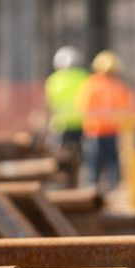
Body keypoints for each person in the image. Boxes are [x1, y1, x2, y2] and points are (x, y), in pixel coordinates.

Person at [74, 49, 132, 192]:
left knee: (112, 164)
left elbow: (124, 108)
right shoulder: (92, 85)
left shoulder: (115, 86)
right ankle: (92, 188)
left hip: (111, 130)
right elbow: (83, 106)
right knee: (94, 163)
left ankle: (112, 188)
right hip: (96, 131)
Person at [45, 45, 89, 185]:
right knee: (81, 156)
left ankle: (61, 182)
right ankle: (78, 182)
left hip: (61, 124)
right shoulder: (84, 77)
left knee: (61, 156)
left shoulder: (53, 80)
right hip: (81, 123)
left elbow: (49, 104)